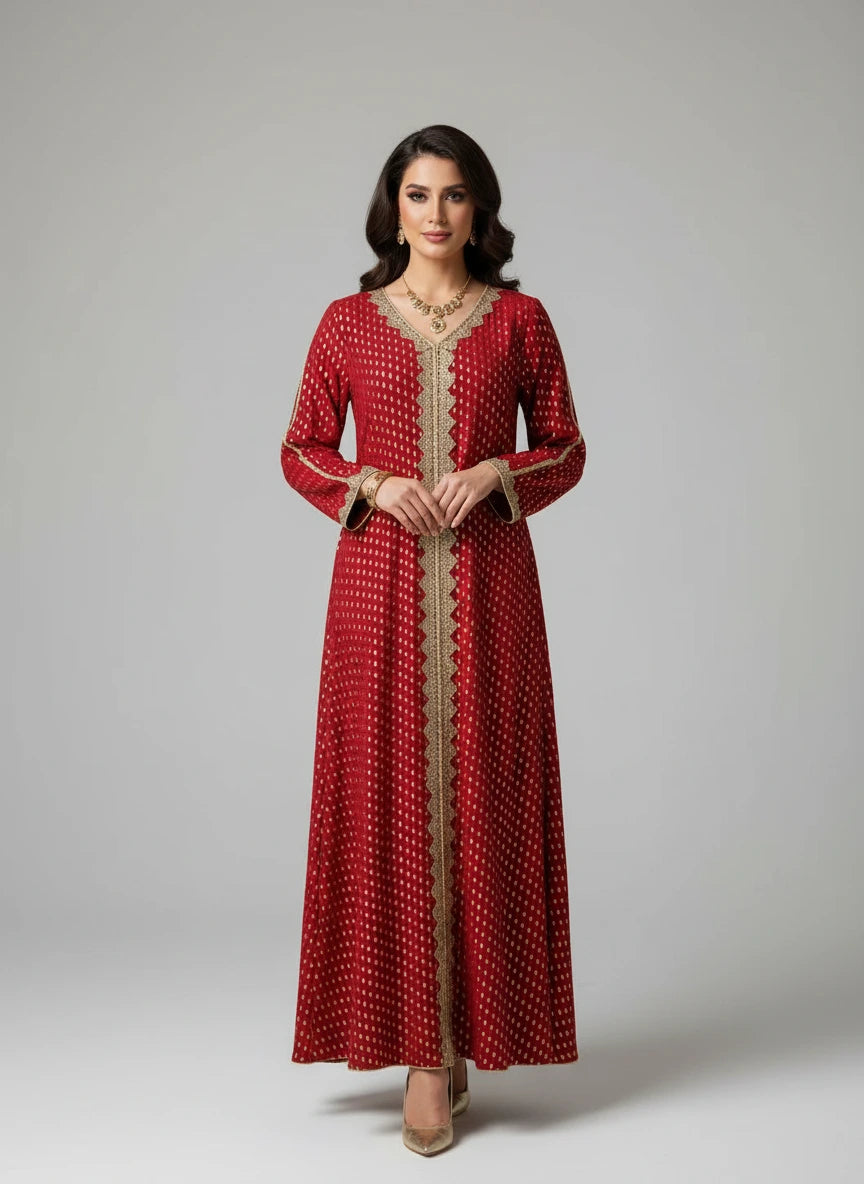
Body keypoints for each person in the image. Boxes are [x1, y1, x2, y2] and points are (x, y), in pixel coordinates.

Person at [280, 124, 587, 1156]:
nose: (439, 215)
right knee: (391, 797)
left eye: (456, 195)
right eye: (419, 195)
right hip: (378, 589)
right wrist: (372, 483)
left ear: (479, 208)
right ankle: (420, 1048)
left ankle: (466, 1036)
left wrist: (500, 474)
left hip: (493, 586)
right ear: (393, 207)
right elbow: (300, 446)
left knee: (483, 791)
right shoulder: (346, 324)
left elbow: (569, 446)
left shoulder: (522, 321)